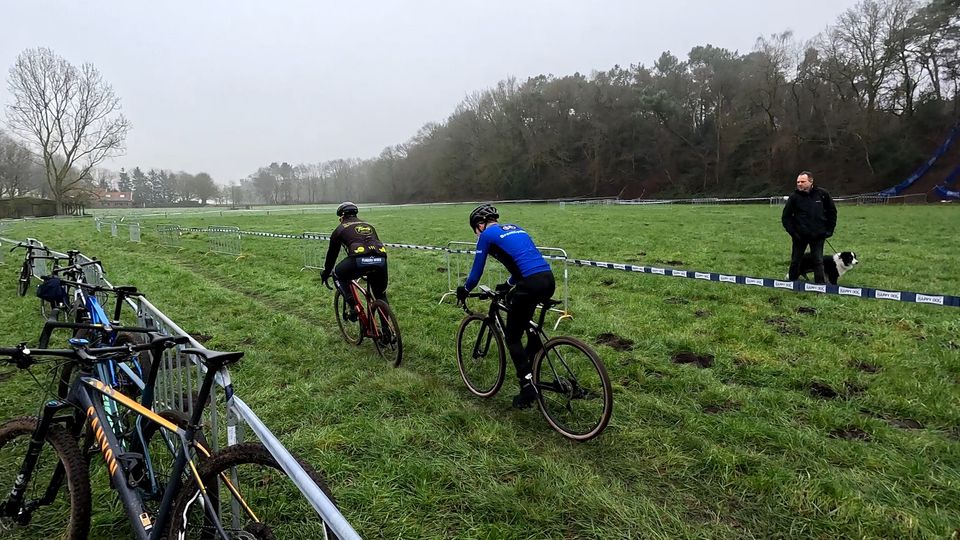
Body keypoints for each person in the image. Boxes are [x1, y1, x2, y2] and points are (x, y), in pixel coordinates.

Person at [456, 204, 555, 409]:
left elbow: (476, 272)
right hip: (547, 278)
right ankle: (533, 346)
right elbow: (522, 263)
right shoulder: (515, 228)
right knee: (516, 305)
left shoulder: (486, 236)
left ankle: (527, 387)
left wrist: (465, 289)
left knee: (512, 337)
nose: (476, 234)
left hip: (529, 283)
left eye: (475, 230)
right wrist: (508, 284)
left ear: (480, 225)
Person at [321, 202, 388, 320]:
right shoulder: (368, 225)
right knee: (380, 295)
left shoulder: (340, 229)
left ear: (342, 217)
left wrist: (326, 273)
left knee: (337, 273)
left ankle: (354, 307)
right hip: (381, 260)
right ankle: (386, 329)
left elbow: (332, 255)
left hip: (359, 260)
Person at [781, 171, 837, 283]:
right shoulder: (794, 197)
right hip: (800, 236)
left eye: (802, 181)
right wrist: (793, 233)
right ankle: (791, 282)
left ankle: (820, 285)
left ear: (811, 182)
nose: (799, 184)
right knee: (796, 260)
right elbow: (786, 217)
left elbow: (832, 212)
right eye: (798, 182)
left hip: (818, 235)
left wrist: (829, 230)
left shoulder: (822, 194)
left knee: (818, 260)